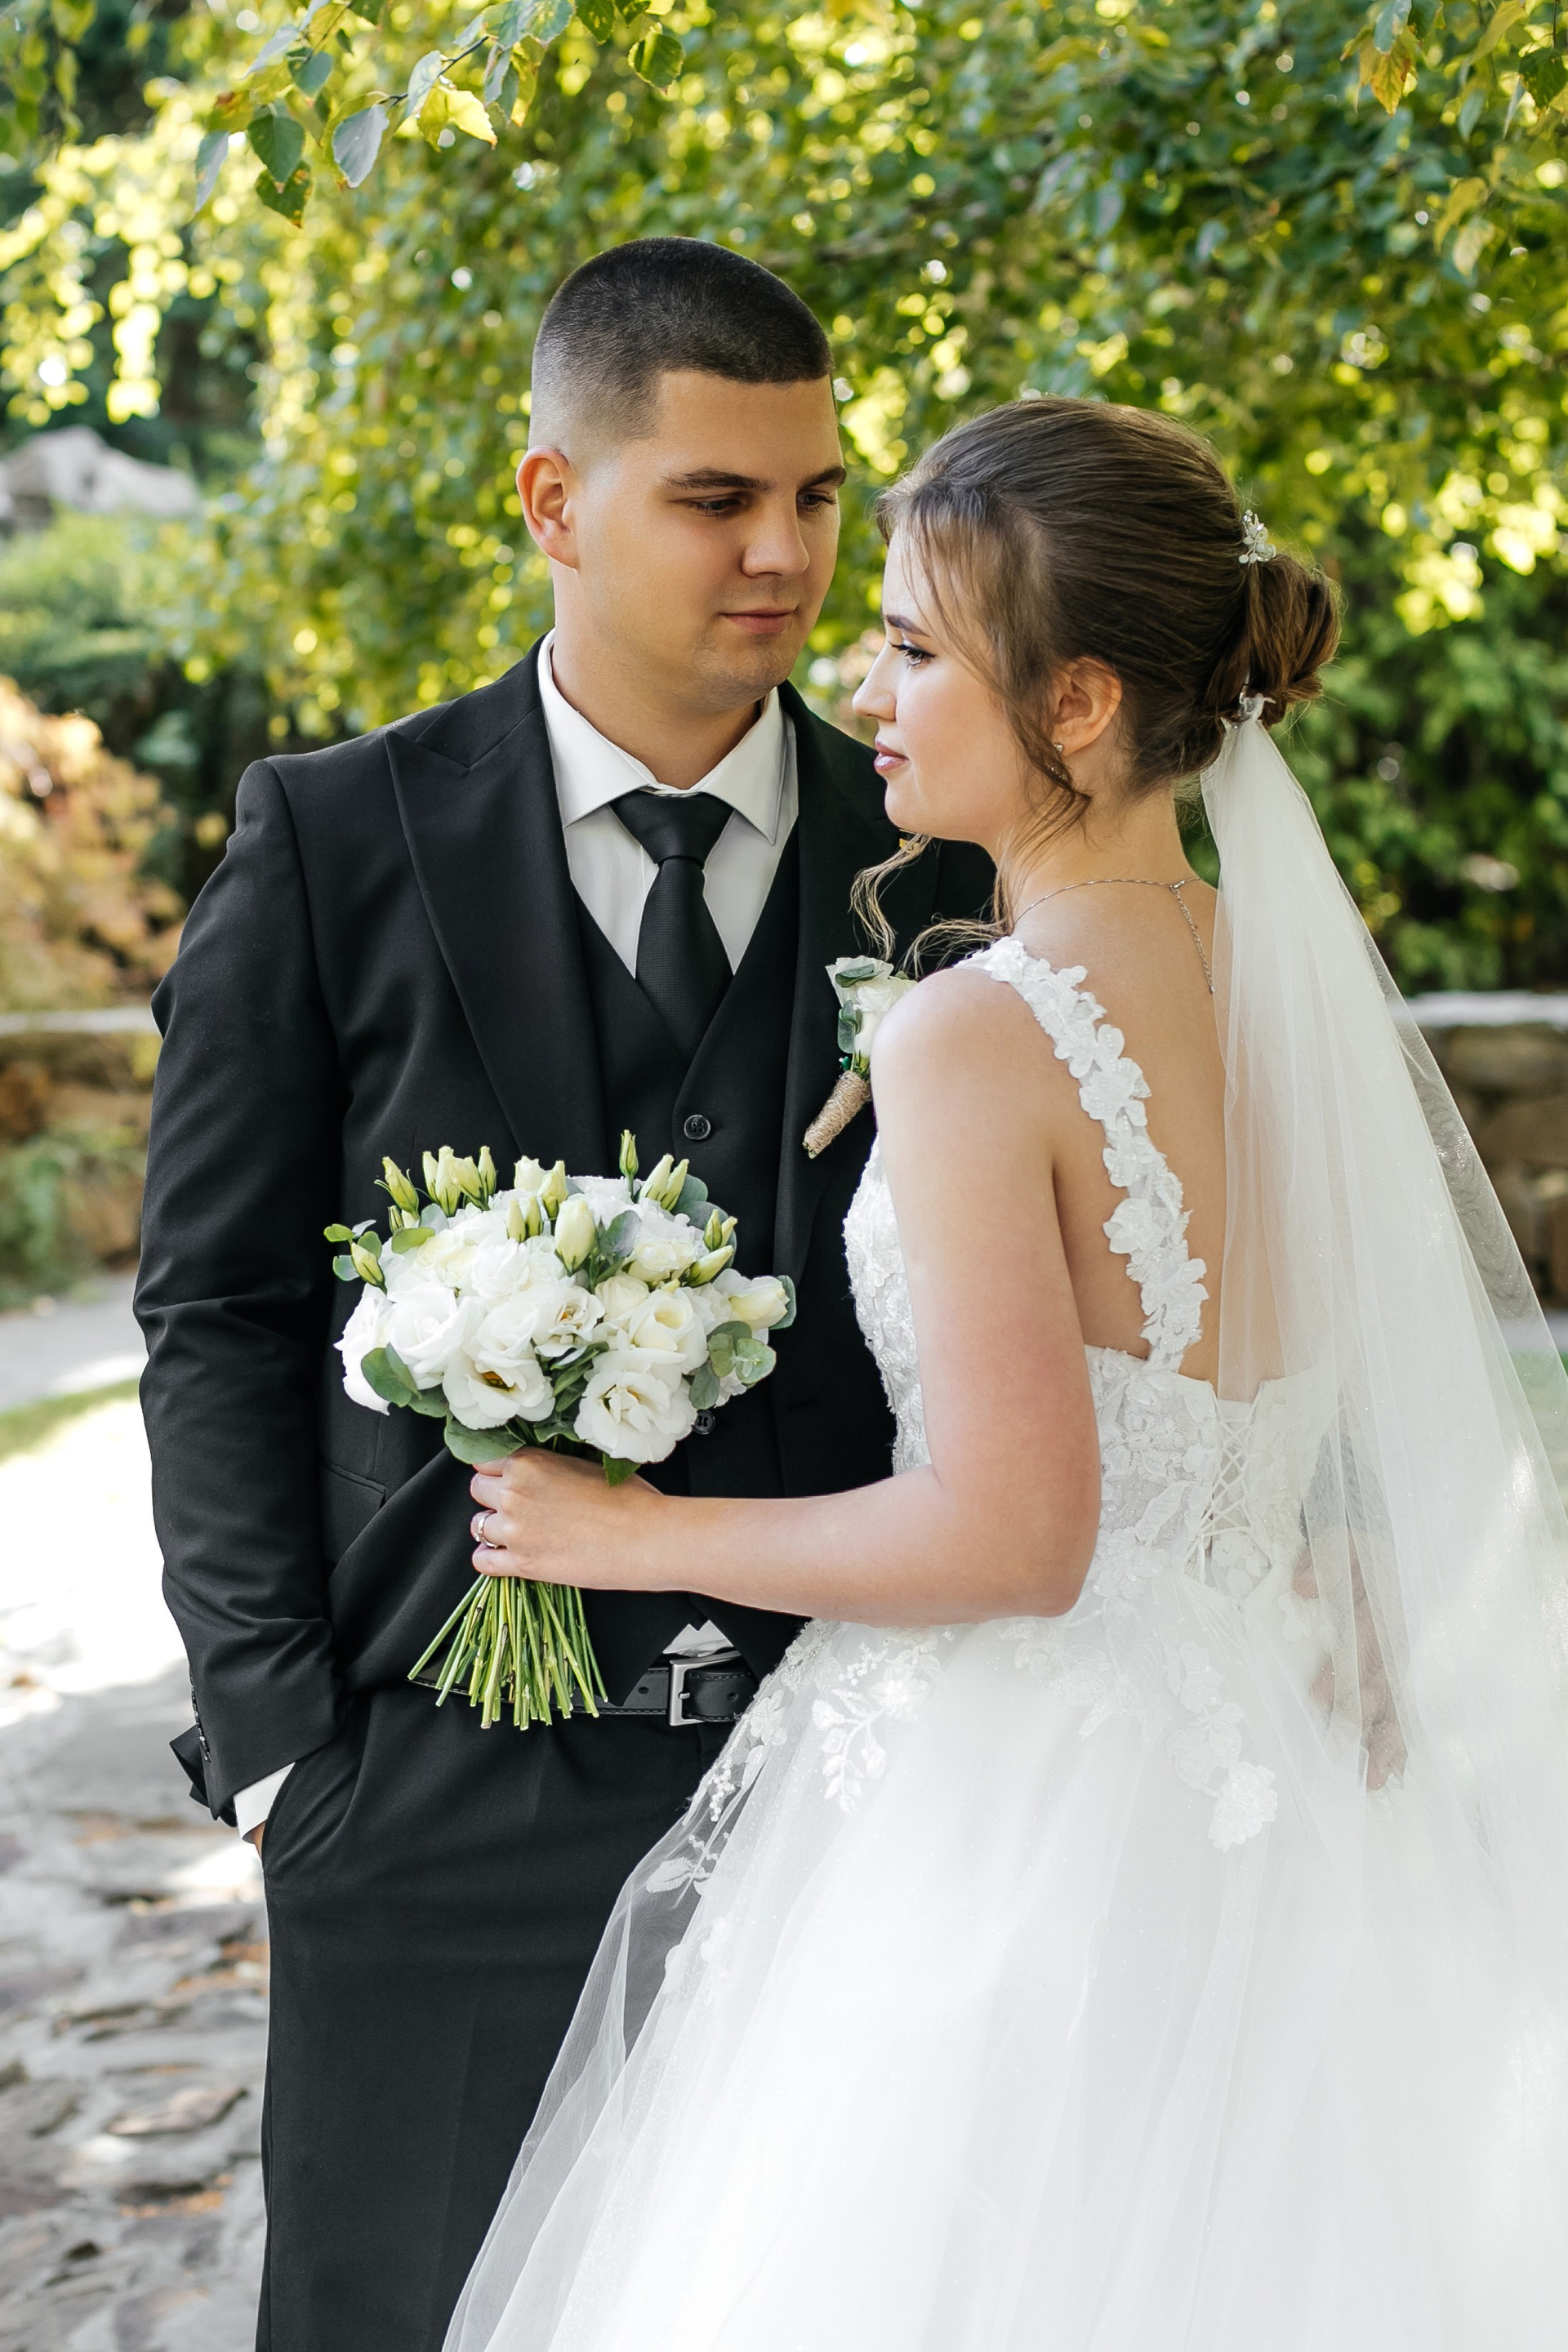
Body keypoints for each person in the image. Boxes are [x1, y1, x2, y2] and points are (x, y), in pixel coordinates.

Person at [443, 395, 1568, 2351]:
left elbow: (1017, 1539)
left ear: (1078, 704)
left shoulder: (981, 1034)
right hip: (1276, 1789)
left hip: (1023, 1826)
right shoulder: (1277, 989)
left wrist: (628, 1534)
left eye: (914, 649)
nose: (866, 691)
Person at [132, 236, 991, 2352]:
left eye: (817, 496)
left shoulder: (951, 878)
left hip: (854, 1796)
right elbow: (219, 1309)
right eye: (717, 497)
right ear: (554, 501)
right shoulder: (332, 841)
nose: (786, 553)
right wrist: (284, 1755)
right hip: (429, 1798)